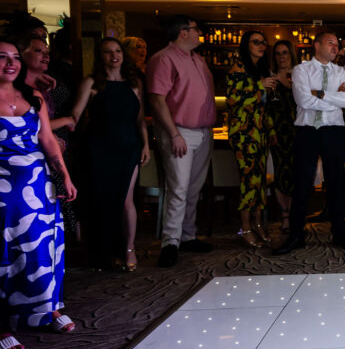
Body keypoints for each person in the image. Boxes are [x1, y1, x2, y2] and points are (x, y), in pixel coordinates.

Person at [0, 39, 78, 349]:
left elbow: (46, 138)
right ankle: (2, 326)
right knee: (6, 255)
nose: (11, 63)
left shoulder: (32, 96)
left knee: (44, 248)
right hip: (3, 192)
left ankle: (49, 309)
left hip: (38, 184)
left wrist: (65, 176)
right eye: (2, 58)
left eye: (15, 57)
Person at [272, 31, 345, 255]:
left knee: (336, 183)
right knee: (302, 184)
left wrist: (320, 94)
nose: (335, 48)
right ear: (316, 45)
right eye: (331, 43)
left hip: (334, 131)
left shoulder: (341, 72)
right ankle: (296, 236)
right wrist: (333, 99)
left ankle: (339, 233)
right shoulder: (301, 70)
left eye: (337, 45)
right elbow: (302, 99)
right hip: (307, 131)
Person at [70, 38, 149, 271]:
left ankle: (129, 248)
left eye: (118, 51)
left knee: (126, 200)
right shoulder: (92, 82)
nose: (114, 56)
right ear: (100, 55)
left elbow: (140, 119)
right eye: (108, 52)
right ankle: (103, 252)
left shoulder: (134, 83)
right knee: (102, 200)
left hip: (129, 146)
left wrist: (145, 145)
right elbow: (76, 115)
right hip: (99, 147)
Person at [147, 15, 216, 268]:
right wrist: (174, 133)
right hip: (179, 131)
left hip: (203, 131)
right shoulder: (163, 58)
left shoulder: (198, 60)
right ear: (183, 32)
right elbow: (157, 99)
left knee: (194, 189)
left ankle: (187, 235)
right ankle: (170, 243)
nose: (200, 33)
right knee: (178, 189)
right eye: (197, 29)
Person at [17, 34, 79, 240]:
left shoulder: (40, 90)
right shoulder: (17, 92)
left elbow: (43, 131)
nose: (45, 56)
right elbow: (35, 129)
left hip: (46, 159)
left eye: (47, 53)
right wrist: (65, 121)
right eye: (37, 51)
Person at [226, 30, 276, 247]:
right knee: (249, 181)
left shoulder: (262, 69)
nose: (261, 45)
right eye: (256, 42)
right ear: (246, 45)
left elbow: (265, 106)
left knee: (260, 181)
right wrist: (259, 86)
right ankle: (245, 226)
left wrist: (271, 130)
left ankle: (257, 223)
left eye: (263, 42)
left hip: (261, 132)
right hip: (244, 133)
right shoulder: (238, 68)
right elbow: (233, 99)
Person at [268, 39, 297, 232]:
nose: (282, 57)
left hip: (297, 131)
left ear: (291, 55)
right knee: (279, 173)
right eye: (278, 54)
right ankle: (284, 214)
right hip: (277, 132)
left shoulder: (301, 74)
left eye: (285, 53)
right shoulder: (269, 77)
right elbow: (265, 107)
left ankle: (294, 213)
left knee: (296, 173)